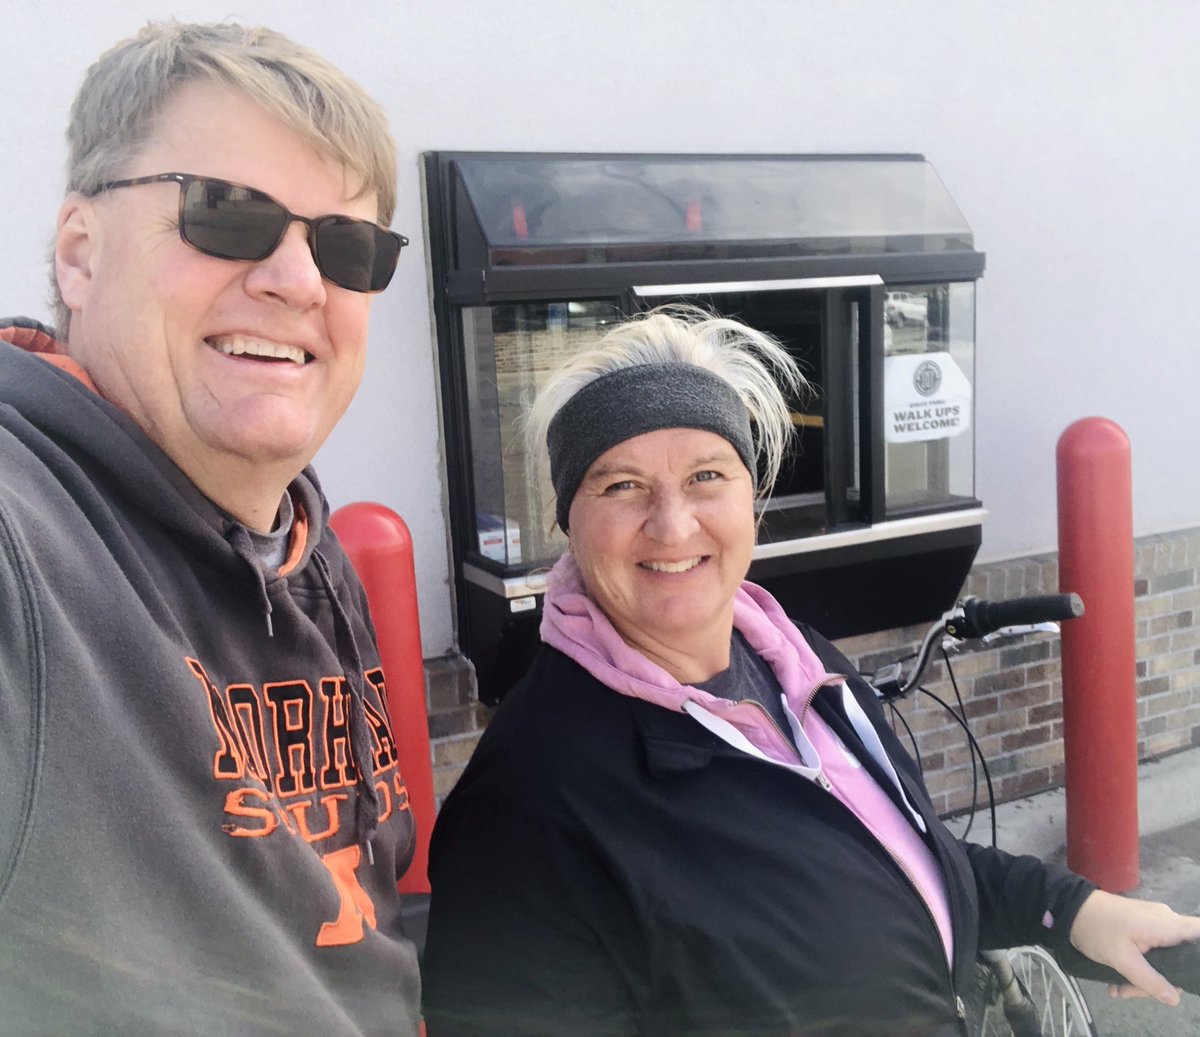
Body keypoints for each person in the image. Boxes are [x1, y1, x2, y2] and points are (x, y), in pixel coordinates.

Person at [421, 306, 1200, 1036]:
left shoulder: (796, 661)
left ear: (751, 499)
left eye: (706, 476)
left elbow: (888, 854)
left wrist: (1069, 913)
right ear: (569, 518)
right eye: (622, 485)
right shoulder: (525, 801)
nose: (672, 523)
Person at [0, 21, 419, 1035]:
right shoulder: (24, 538)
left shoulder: (303, 551)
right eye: (227, 213)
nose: (298, 279)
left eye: (346, 245)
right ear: (80, 252)